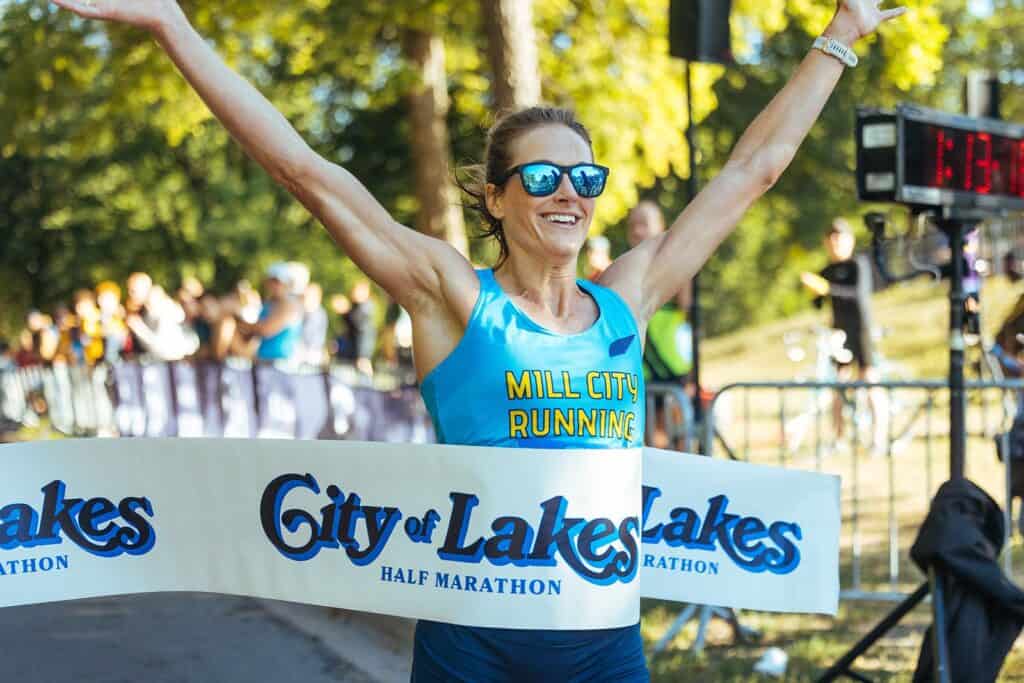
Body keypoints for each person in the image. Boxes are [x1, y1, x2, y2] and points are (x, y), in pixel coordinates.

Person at [51, 0, 905, 679]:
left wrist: (839, 34)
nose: (566, 192)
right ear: (496, 198)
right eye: (540, 176)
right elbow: (306, 171)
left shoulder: (626, 302)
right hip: (474, 649)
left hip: (604, 647)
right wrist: (173, 23)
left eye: (584, 177)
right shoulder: (453, 299)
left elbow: (749, 172)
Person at [801, 217, 886, 452]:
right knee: (838, 386)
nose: (835, 243)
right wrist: (813, 291)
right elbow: (818, 303)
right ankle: (839, 437)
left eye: (840, 238)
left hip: (861, 330)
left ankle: (878, 438)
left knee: (869, 381)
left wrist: (827, 289)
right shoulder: (828, 270)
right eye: (831, 238)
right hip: (839, 333)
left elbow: (857, 295)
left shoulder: (858, 264)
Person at [626, 200, 694, 449]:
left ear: (660, 227)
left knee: (679, 445)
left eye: (643, 224)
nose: (637, 231)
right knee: (652, 447)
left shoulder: (678, 268)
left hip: (673, 372)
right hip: (643, 376)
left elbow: (689, 312)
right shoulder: (621, 272)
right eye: (632, 226)